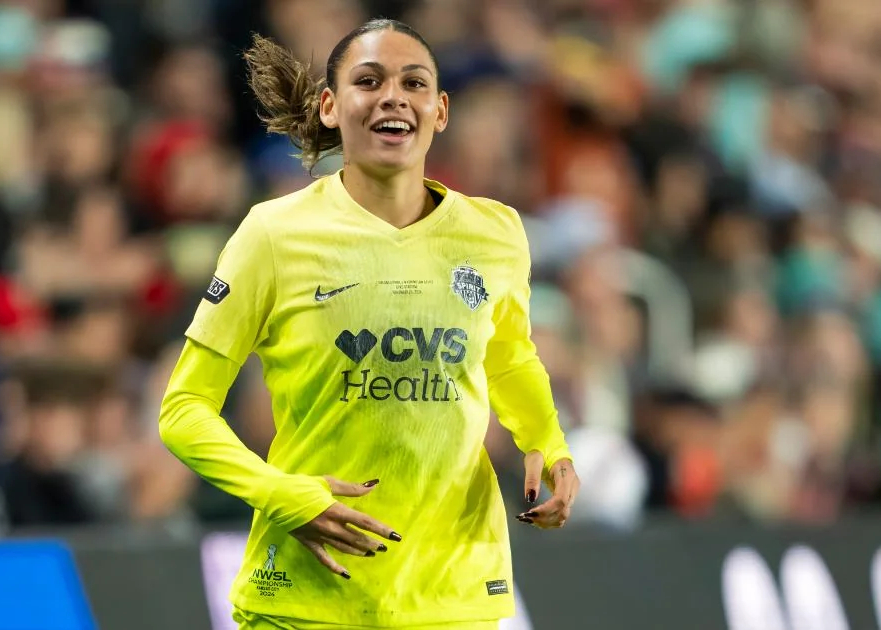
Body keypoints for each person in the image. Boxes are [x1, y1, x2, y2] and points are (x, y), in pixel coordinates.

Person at [158, 19, 580, 630]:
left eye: (414, 82)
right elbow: (183, 409)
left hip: (453, 596)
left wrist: (549, 441)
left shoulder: (496, 233)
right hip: (306, 600)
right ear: (330, 107)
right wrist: (280, 493)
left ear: (440, 111)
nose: (393, 97)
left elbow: (509, 358)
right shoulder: (273, 235)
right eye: (369, 80)